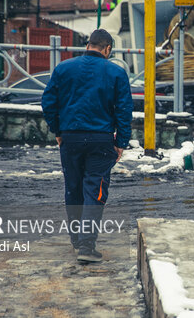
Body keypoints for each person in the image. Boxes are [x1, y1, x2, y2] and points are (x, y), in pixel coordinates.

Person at [42, 29, 133, 262]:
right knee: (95, 189)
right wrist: (121, 142)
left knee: (73, 188)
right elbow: (123, 110)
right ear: (108, 49)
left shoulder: (64, 68)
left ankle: (77, 240)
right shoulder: (116, 72)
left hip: (70, 138)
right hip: (101, 140)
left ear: (88, 44)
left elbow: (48, 102)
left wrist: (58, 131)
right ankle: (86, 245)